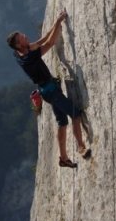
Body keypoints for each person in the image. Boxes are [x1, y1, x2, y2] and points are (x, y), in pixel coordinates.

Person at [7, 9, 90, 168]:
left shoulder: (19, 54)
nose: (25, 35)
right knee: (75, 114)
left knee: (62, 122)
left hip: (47, 90)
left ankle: (63, 158)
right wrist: (58, 22)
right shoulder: (29, 58)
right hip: (51, 90)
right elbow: (49, 43)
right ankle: (80, 146)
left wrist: (57, 23)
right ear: (19, 44)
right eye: (22, 37)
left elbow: (42, 41)